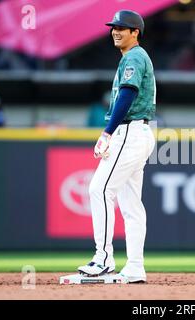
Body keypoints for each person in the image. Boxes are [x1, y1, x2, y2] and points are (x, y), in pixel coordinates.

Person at [77, 10, 156, 283]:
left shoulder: (134, 56)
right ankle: (135, 266)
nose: (115, 31)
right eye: (114, 27)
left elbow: (128, 93)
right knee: (131, 205)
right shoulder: (133, 57)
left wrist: (107, 132)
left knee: (99, 189)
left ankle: (104, 258)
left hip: (129, 132)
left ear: (136, 32)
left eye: (123, 27)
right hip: (138, 132)